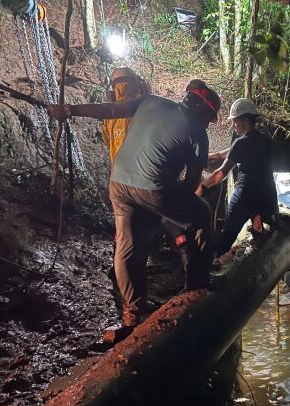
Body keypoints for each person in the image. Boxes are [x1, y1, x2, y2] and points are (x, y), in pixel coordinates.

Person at [48, 80, 220, 333]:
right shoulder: (197, 131)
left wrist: (71, 109)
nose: (207, 123)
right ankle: (197, 286)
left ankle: (132, 312)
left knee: (129, 245)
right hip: (153, 187)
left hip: (118, 183)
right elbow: (191, 184)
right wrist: (173, 213)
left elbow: (111, 110)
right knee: (202, 214)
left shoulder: (150, 101)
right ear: (197, 105)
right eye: (208, 116)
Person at [200, 98, 278, 261]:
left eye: (235, 122)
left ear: (244, 120)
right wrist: (212, 155)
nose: (233, 125)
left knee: (226, 237)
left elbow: (220, 174)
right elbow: (232, 151)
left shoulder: (240, 144)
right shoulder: (266, 140)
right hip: (267, 196)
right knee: (268, 232)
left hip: (245, 196)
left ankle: (204, 265)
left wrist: (203, 188)